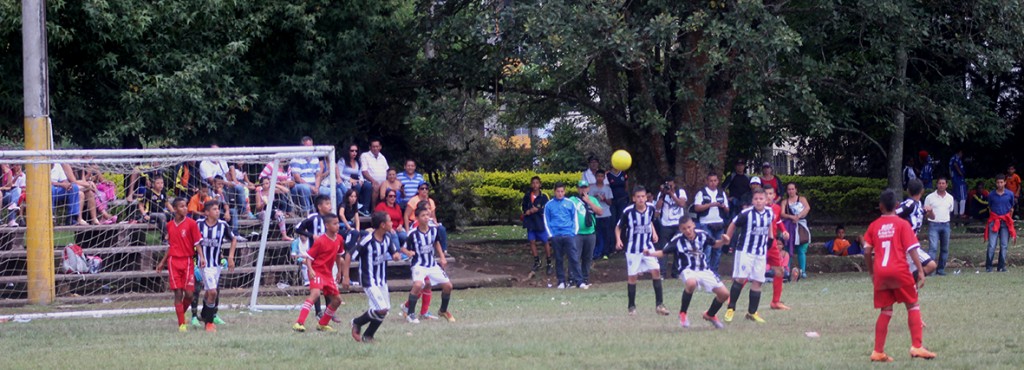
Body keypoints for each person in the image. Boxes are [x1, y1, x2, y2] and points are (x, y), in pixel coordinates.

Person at [862, 190, 936, 362]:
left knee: (886, 311)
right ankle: (917, 347)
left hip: (881, 272)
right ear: (897, 206)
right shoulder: (903, 225)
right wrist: (920, 271)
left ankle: (877, 351)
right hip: (899, 271)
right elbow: (912, 249)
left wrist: (871, 272)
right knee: (913, 306)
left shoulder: (874, 226)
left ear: (880, 207)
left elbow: (866, 251)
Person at [645, 217, 729, 329]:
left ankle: (710, 315)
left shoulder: (702, 234)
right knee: (691, 283)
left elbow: (715, 244)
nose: (688, 231)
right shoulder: (678, 240)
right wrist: (650, 254)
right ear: (680, 229)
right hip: (687, 269)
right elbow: (663, 252)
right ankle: (683, 313)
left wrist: (723, 241)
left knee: (724, 294)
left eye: (689, 227)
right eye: (684, 229)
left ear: (693, 225)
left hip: (704, 269)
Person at [721, 189, 787, 324]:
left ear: (766, 200)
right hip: (745, 251)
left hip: (760, 252)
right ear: (752, 200)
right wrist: (727, 238)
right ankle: (731, 308)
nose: (758, 201)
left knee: (758, 281)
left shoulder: (769, 212)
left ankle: (752, 312)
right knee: (740, 279)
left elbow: (769, 225)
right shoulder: (746, 214)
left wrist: (770, 239)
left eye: (761, 199)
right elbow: (733, 224)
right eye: (756, 199)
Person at [615, 186, 669, 316]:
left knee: (656, 270)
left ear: (646, 197)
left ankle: (659, 305)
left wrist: (654, 233)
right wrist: (618, 240)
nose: (640, 199)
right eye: (638, 197)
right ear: (634, 198)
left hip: (647, 246)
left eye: (642, 196)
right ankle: (631, 307)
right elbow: (618, 227)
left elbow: (649, 221)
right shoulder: (628, 211)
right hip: (633, 249)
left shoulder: (650, 208)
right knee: (632, 277)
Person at [292, 214, 350, 333]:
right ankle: (299, 322)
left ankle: (323, 323)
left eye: (338, 223)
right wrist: (311, 270)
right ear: (327, 226)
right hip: (317, 271)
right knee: (315, 294)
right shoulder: (320, 241)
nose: (337, 226)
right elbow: (308, 258)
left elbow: (339, 257)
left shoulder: (339, 239)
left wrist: (339, 271)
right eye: (334, 224)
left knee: (337, 300)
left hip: (328, 274)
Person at [350, 212, 402, 343]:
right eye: (390, 221)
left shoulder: (388, 238)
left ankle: (368, 335)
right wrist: (345, 276)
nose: (392, 223)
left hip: (382, 280)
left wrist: (396, 255)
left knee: (384, 310)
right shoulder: (367, 241)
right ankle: (357, 322)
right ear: (383, 225)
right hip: (369, 280)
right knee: (381, 309)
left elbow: (394, 252)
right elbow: (349, 255)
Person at [153, 197, 202, 332]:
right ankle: (182, 325)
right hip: (173, 261)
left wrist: (201, 258)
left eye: (186, 206)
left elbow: (197, 243)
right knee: (178, 294)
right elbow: (170, 246)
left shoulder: (192, 224)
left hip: (187, 261)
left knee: (189, 294)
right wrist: (162, 262)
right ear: (175, 209)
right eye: (181, 206)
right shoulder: (169, 225)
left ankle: (181, 314)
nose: (185, 208)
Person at [400, 207, 456, 323]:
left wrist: (442, 257)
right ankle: (410, 313)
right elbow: (403, 248)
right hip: (419, 265)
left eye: (427, 215)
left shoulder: (434, 230)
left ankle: (443, 310)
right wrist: (409, 253)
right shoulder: (412, 234)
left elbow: (437, 243)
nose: (426, 218)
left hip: (432, 265)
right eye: (423, 215)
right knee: (418, 285)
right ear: (417, 218)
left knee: (448, 286)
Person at [195, 201, 238, 332]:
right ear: (207, 213)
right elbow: (196, 241)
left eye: (218, 209)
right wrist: (201, 256)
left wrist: (230, 257)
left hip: (217, 264)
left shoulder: (223, 225)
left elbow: (234, 239)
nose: (217, 211)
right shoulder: (199, 224)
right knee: (213, 291)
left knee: (209, 292)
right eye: (214, 209)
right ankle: (209, 323)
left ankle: (204, 314)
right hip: (205, 264)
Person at [895, 180, 938, 281]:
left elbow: (931, 216)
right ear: (922, 191)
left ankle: (907, 284)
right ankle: (907, 284)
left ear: (908, 191)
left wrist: (930, 211)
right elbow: (894, 214)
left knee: (925, 267)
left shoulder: (918, 204)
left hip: (912, 243)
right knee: (931, 265)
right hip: (906, 244)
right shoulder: (909, 204)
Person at [544, 182, 580, 289]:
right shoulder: (549, 205)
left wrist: (574, 232)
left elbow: (575, 218)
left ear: (564, 192)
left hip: (569, 234)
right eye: (558, 191)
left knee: (573, 258)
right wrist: (551, 234)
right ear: (554, 192)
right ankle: (561, 282)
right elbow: (546, 220)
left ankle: (579, 281)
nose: (560, 193)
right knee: (559, 259)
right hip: (556, 235)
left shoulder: (570, 203)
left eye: (562, 191)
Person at [692, 173, 729, 272]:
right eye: (711, 181)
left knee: (718, 250)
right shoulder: (702, 193)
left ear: (718, 181)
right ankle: (706, 271)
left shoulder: (722, 193)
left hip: (719, 223)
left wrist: (723, 206)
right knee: (707, 248)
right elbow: (697, 208)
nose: (713, 183)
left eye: (715, 180)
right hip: (705, 223)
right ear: (706, 181)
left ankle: (714, 272)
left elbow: (727, 210)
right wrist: (711, 205)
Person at [762, 186, 791, 310]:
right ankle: (731, 299)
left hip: (772, 243)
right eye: (766, 194)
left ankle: (775, 302)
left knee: (780, 271)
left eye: (770, 194)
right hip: (759, 243)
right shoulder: (759, 209)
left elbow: (778, 221)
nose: (769, 196)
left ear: (774, 196)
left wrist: (784, 231)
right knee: (749, 273)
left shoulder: (777, 208)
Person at [570, 180, 602, 288]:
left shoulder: (593, 199)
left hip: (590, 233)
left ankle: (584, 279)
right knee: (575, 257)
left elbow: (600, 212)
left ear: (588, 188)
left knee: (587, 257)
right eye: (581, 188)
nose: (583, 189)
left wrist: (589, 202)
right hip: (577, 233)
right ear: (578, 189)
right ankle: (573, 279)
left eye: (585, 187)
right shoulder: (573, 200)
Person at [655, 178, 687, 278]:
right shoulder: (662, 194)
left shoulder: (680, 192)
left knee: (679, 249)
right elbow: (657, 208)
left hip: (678, 225)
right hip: (666, 225)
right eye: (667, 185)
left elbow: (681, 204)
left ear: (675, 184)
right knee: (664, 249)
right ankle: (662, 273)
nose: (669, 187)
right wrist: (663, 194)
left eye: (671, 185)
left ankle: (676, 273)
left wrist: (672, 194)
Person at [404, 182, 449, 252]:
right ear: (418, 190)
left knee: (441, 229)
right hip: (415, 221)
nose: (424, 190)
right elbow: (406, 215)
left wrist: (435, 223)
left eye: (426, 188)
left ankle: (444, 250)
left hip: (428, 221)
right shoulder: (413, 200)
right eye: (422, 188)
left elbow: (433, 216)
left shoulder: (431, 201)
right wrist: (407, 230)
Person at [985, 174, 1016, 272]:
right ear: (995, 183)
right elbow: (990, 207)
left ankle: (1001, 266)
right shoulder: (991, 194)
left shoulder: (1010, 194)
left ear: (1005, 182)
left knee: (1004, 245)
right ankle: (989, 266)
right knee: (992, 244)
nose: (1000, 184)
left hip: (1005, 222)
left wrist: (1009, 219)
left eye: (1001, 182)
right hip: (994, 221)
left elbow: (1011, 208)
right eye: (998, 182)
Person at [923, 178, 954, 275]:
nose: (941, 185)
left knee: (945, 249)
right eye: (939, 183)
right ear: (936, 185)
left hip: (946, 224)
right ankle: (930, 270)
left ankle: (940, 270)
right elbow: (926, 212)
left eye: (943, 183)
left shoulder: (950, 198)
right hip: (933, 224)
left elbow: (950, 210)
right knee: (933, 248)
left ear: (946, 185)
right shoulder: (930, 197)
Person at [522, 176, 552, 274]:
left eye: (537, 183)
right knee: (532, 241)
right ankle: (536, 261)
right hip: (531, 222)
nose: (535, 185)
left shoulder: (544, 196)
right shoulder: (527, 196)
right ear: (531, 184)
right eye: (533, 183)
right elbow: (523, 208)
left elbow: (547, 208)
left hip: (541, 222)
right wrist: (528, 211)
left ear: (540, 184)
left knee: (545, 241)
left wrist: (538, 210)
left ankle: (549, 262)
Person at [782, 182, 812, 280]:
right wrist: (791, 216)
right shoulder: (784, 202)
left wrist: (798, 216)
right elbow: (782, 213)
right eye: (789, 189)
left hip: (801, 226)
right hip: (789, 227)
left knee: (801, 249)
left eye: (792, 189)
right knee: (787, 249)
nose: (791, 191)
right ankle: (787, 270)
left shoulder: (802, 199)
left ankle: (802, 271)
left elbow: (807, 208)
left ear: (796, 190)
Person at [288, 137, 323, 215]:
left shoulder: (315, 159)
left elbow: (318, 175)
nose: (310, 148)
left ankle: (327, 215)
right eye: (307, 146)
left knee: (327, 191)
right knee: (305, 188)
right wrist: (311, 187)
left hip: (314, 185)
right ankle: (307, 213)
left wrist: (316, 187)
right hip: (298, 186)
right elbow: (297, 178)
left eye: (311, 146)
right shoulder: (295, 159)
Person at [339, 144, 374, 215]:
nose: (354, 152)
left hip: (357, 180)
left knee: (368, 186)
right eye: (352, 151)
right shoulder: (342, 161)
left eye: (356, 151)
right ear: (348, 151)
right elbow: (339, 174)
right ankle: (355, 207)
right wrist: (349, 179)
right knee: (357, 186)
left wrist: (361, 180)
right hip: (346, 181)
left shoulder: (358, 162)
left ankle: (365, 209)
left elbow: (360, 173)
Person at [255, 176, 293, 241]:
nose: (265, 185)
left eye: (267, 183)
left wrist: (275, 185)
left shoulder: (272, 190)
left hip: (272, 210)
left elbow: (286, 191)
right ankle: (265, 235)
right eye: (263, 184)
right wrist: (263, 203)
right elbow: (258, 208)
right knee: (264, 214)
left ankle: (284, 235)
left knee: (280, 214)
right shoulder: (259, 193)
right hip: (263, 211)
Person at [140, 177, 173, 242]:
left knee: (175, 216)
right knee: (161, 216)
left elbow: (167, 204)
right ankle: (165, 238)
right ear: (153, 184)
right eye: (158, 183)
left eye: (162, 183)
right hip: (151, 214)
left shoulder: (163, 192)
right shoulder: (148, 193)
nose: (160, 185)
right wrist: (144, 215)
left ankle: (176, 237)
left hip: (162, 212)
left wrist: (174, 213)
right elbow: (140, 205)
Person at [590, 170, 614, 260]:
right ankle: (597, 252)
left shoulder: (607, 189)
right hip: (596, 215)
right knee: (597, 234)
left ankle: (606, 252)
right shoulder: (591, 188)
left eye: (601, 176)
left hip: (606, 214)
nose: (599, 178)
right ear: (595, 177)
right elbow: (589, 201)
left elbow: (610, 203)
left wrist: (604, 199)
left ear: (604, 178)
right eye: (598, 176)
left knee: (606, 234)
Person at [360, 139, 389, 208]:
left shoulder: (382, 157)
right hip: (369, 182)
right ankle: (374, 209)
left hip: (383, 182)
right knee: (376, 186)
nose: (375, 148)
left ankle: (385, 209)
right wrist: (373, 181)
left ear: (380, 147)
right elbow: (364, 171)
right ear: (370, 147)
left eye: (377, 146)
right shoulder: (365, 156)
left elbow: (387, 170)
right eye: (373, 146)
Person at [949, 150, 967, 218]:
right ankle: (961, 213)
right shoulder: (956, 158)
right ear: (960, 152)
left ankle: (956, 213)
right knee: (962, 197)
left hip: (954, 180)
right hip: (959, 180)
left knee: (955, 197)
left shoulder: (952, 158)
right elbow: (955, 164)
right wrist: (960, 173)